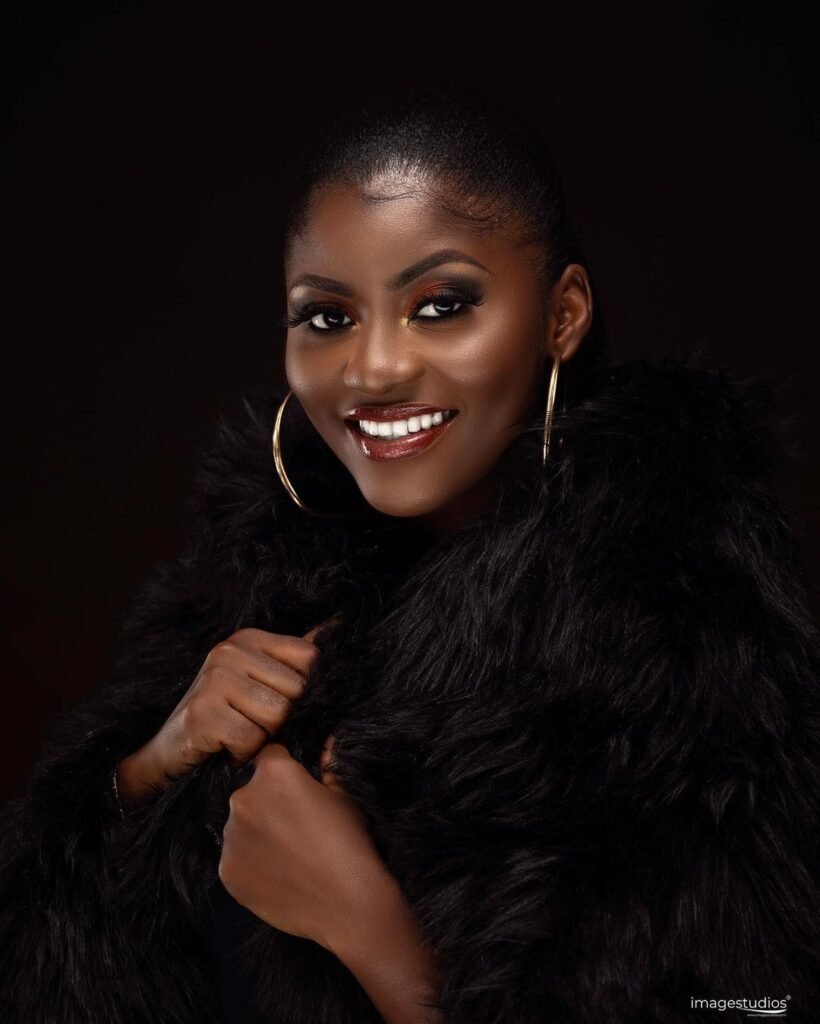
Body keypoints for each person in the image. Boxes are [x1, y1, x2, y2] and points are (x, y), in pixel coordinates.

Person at [1, 81, 819, 1024]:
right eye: (327, 317)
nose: (374, 368)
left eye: (440, 305)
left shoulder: (682, 624)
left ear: (562, 315)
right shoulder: (250, 584)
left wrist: (369, 931)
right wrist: (153, 762)